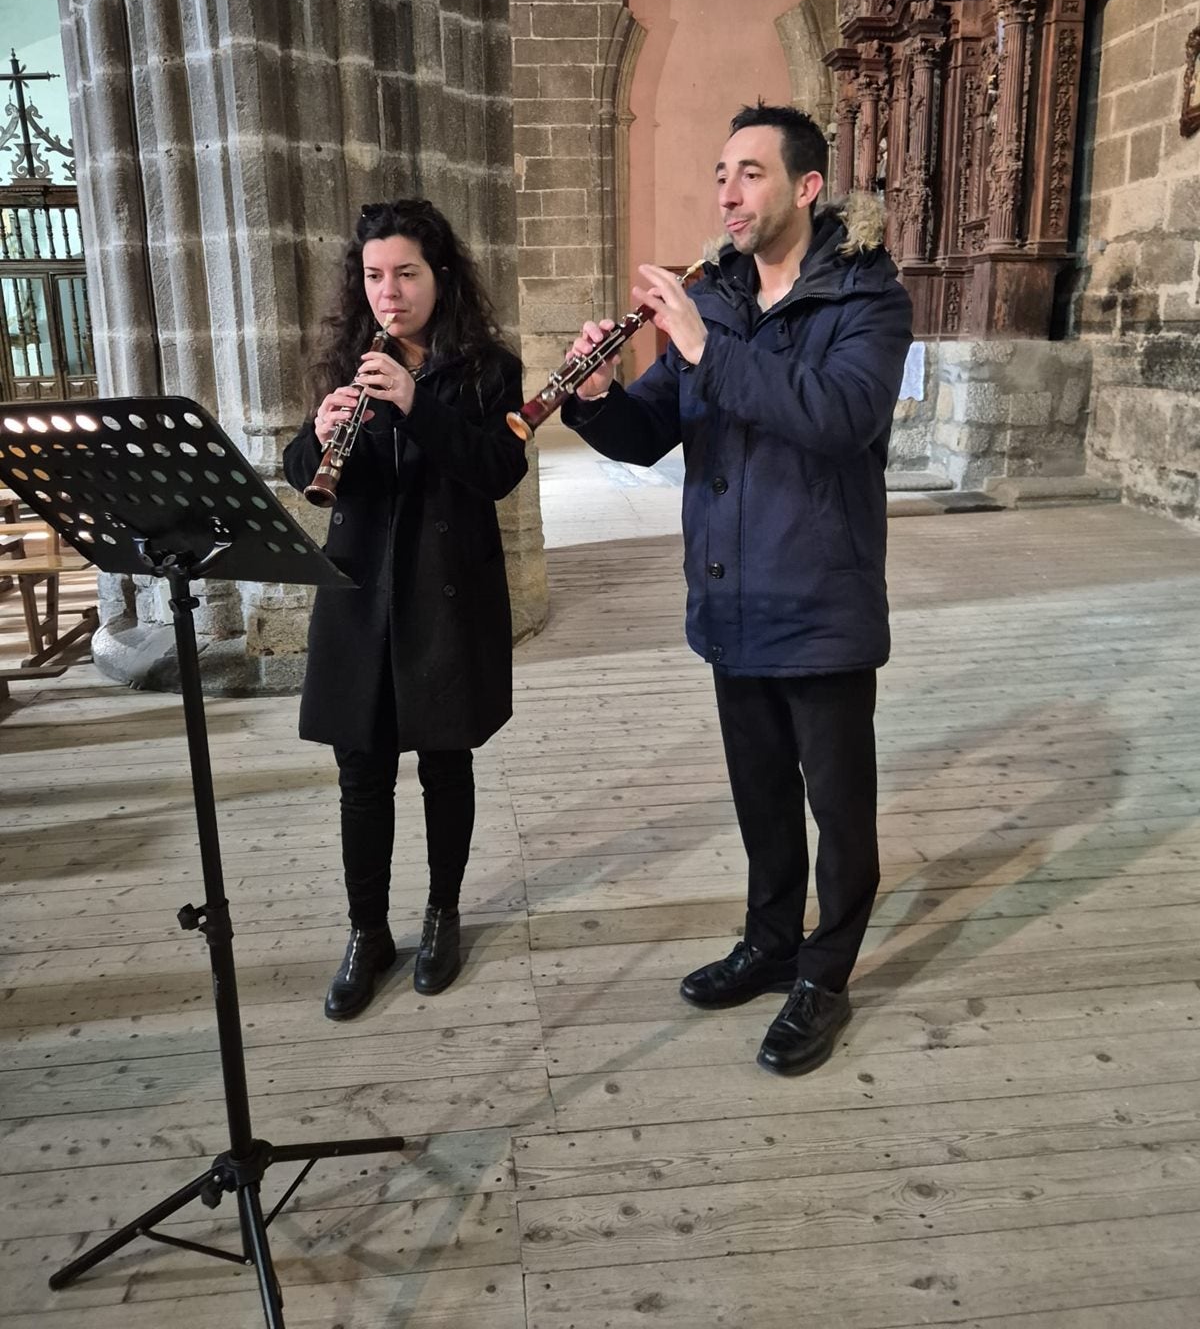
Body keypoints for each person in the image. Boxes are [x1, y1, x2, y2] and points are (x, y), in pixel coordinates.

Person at [562, 103, 912, 1074]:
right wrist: (594, 402)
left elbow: (839, 416)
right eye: (721, 172)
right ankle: (769, 942)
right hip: (729, 593)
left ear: (806, 188)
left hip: (823, 597)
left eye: (750, 172)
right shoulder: (711, 296)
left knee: (838, 806)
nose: (727, 190)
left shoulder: (867, 298)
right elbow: (650, 429)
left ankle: (825, 974)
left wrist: (711, 350)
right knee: (760, 793)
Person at [283, 198, 527, 1020]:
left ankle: (441, 915)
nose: (389, 292)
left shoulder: (490, 369)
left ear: (441, 275)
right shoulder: (349, 357)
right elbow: (300, 469)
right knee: (360, 772)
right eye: (374, 276)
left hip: (444, 589)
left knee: (444, 762)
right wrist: (319, 434)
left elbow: (497, 469)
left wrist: (420, 406)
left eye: (406, 274)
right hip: (359, 592)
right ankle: (367, 932)